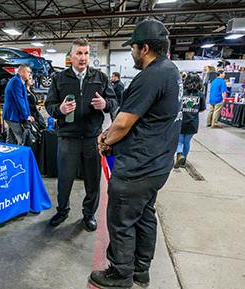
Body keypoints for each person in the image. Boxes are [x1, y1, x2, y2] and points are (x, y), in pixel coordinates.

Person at [89, 19, 181, 288]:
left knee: (121, 221)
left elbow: (123, 123)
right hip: (157, 164)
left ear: (145, 48)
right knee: (144, 216)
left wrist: (105, 140)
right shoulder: (171, 71)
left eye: (133, 48)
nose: (131, 53)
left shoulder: (150, 76)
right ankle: (141, 269)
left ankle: (120, 274)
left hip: (137, 168)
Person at [45, 38, 117, 232]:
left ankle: (89, 215)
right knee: (65, 179)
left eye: (86, 53)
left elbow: (114, 102)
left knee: (93, 180)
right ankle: (62, 211)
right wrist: (59, 109)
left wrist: (106, 105)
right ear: (71, 56)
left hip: (92, 138)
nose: (83, 57)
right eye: (79, 53)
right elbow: (49, 106)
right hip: (68, 137)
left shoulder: (100, 78)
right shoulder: (59, 79)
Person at [174, 73, 206, 168]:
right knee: (187, 142)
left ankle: (179, 154)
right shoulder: (200, 95)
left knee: (179, 141)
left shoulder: (182, 92)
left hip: (181, 120)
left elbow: (176, 105)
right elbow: (203, 109)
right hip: (193, 122)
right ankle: (184, 159)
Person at [2, 64, 34, 145]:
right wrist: (26, 116)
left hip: (12, 116)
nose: (30, 74)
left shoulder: (20, 82)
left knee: (11, 140)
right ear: (22, 72)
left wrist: (28, 115)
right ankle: (22, 157)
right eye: (28, 72)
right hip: (12, 116)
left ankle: (9, 156)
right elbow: (20, 101)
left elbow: (24, 101)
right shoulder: (16, 81)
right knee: (22, 140)